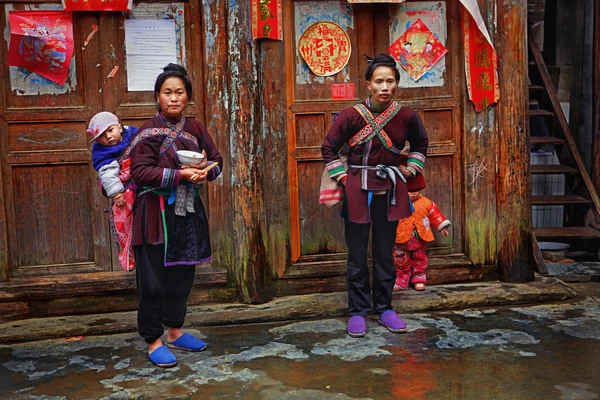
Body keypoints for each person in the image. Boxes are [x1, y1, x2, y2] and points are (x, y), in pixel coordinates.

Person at [321, 53, 429, 338]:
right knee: (357, 255)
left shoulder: (407, 116)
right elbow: (328, 148)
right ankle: (357, 311)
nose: (385, 87)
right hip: (358, 191)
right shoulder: (350, 116)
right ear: (367, 84)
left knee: (385, 253)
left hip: (391, 190)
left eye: (390, 81)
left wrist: (410, 169)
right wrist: (344, 178)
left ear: (397, 84)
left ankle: (384, 308)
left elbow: (421, 144)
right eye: (378, 81)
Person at [129, 64, 223, 368]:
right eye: (167, 92)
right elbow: (140, 172)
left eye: (179, 92)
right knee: (153, 282)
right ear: (157, 97)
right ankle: (153, 340)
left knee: (182, 278)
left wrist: (206, 169)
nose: (173, 98)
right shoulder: (147, 131)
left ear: (187, 97)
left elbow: (217, 161)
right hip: (154, 214)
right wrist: (180, 174)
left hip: (186, 215)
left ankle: (174, 331)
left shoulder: (195, 129)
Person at [88, 111, 138, 272]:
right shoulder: (103, 153)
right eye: (102, 136)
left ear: (120, 127)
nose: (108, 137)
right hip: (124, 194)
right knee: (124, 222)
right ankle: (128, 256)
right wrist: (116, 193)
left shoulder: (134, 134)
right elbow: (108, 174)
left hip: (142, 187)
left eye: (110, 130)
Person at [393, 161, 450, 291]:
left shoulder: (426, 203)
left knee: (420, 258)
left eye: (416, 191)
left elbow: (435, 215)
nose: (413, 194)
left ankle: (419, 278)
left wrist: (442, 227)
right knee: (400, 260)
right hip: (400, 238)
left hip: (419, 239)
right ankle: (402, 279)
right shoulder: (396, 202)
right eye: (410, 191)